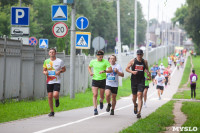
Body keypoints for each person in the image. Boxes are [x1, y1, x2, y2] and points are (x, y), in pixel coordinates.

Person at [126, 49, 150, 118]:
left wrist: (148, 74)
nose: (139, 56)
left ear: (142, 55)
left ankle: (139, 112)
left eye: (140, 54)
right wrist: (132, 72)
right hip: (134, 81)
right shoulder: (133, 61)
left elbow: (147, 69)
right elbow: (127, 69)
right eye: (138, 54)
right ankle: (135, 105)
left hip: (141, 81)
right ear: (136, 55)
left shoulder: (144, 61)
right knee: (134, 97)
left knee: (139, 95)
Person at [43, 48, 66, 117]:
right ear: (49, 53)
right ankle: (52, 111)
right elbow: (44, 70)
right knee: (49, 96)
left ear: (55, 53)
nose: (52, 53)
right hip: (49, 81)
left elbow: (64, 69)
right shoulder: (46, 61)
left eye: (53, 52)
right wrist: (45, 72)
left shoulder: (59, 61)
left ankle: (57, 99)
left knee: (55, 95)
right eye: (50, 52)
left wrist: (60, 71)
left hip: (57, 81)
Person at [88, 50, 112, 115]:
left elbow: (110, 69)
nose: (101, 58)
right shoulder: (93, 61)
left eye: (102, 57)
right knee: (95, 94)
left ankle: (101, 101)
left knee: (102, 96)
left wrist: (104, 71)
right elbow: (89, 67)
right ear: (96, 56)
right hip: (95, 79)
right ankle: (95, 109)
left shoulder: (105, 62)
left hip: (102, 80)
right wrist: (90, 72)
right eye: (99, 57)